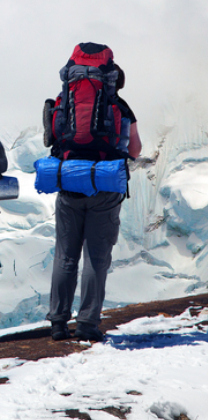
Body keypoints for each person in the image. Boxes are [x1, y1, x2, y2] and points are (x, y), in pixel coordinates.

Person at [46, 44, 142, 343]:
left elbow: (51, 139)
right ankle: (87, 324)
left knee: (65, 256)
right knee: (96, 259)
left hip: (70, 184)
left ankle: (59, 323)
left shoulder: (63, 102)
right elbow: (136, 150)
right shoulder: (121, 107)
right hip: (105, 186)